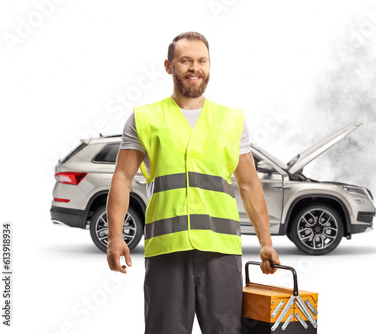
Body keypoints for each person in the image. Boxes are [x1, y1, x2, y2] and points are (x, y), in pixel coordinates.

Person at [106, 31, 281, 333]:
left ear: (210, 66)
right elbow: (121, 178)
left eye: (201, 61)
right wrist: (115, 237)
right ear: (168, 66)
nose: (194, 68)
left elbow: (250, 185)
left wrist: (266, 243)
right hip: (167, 249)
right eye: (185, 60)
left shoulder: (231, 120)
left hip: (221, 250)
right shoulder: (144, 118)